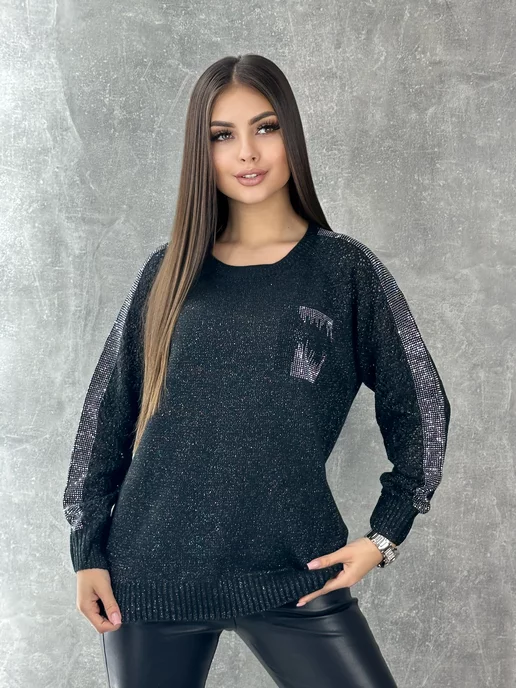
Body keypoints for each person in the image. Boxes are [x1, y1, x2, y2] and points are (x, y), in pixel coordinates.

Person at [62, 54, 451, 688]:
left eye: (265, 127)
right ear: (202, 151)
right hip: (150, 576)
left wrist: (385, 535)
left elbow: (423, 405)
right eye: (223, 135)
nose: (247, 152)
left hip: (295, 572)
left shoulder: (343, 271)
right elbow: (105, 418)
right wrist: (88, 551)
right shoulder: (167, 274)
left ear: (291, 132)